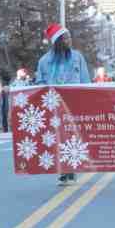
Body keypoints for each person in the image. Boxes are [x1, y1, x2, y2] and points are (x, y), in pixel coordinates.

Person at [36, 23, 91, 186]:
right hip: (54, 105)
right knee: (57, 137)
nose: (70, 40)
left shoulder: (77, 57)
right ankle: (61, 170)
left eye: (69, 36)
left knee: (72, 136)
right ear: (58, 41)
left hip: (74, 102)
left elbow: (85, 79)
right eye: (66, 37)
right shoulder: (44, 61)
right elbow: (39, 83)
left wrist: (88, 97)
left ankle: (71, 169)